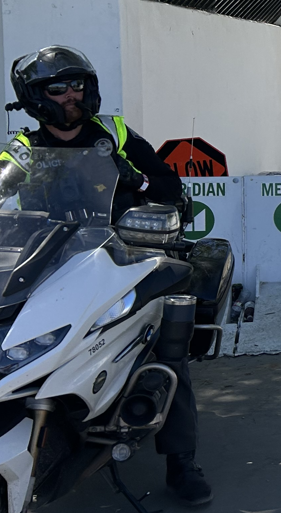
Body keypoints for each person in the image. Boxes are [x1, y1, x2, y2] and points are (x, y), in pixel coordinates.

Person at [0, 46, 212, 506]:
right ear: (35, 98)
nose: (71, 95)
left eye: (77, 85)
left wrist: (135, 181)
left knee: (162, 348)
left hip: (123, 252)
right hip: (48, 257)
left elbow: (169, 187)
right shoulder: (23, 147)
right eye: (58, 88)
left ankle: (182, 462)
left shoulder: (114, 133)